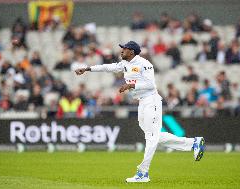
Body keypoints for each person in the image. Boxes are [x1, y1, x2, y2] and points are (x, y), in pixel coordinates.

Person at [75, 41, 205, 183]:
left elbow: (151, 84)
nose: (122, 51)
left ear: (132, 51)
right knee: (155, 136)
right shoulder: (125, 64)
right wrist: (87, 69)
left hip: (152, 101)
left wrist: (130, 85)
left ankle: (143, 173)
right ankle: (193, 143)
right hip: (142, 103)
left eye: (124, 48)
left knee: (151, 137)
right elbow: (107, 67)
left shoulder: (144, 63)